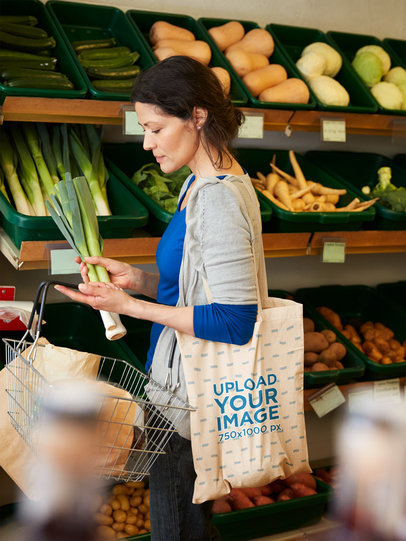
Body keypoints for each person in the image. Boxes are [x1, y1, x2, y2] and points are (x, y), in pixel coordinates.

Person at [55, 55, 266, 541]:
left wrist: (127, 308)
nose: (147, 143)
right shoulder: (199, 183)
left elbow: (235, 321)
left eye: (154, 128)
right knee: (186, 524)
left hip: (193, 402)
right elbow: (197, 288)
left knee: (176, 530)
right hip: (179, 388)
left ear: (197, 116)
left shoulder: (217, 198)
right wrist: (138, 281)